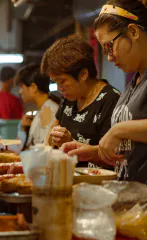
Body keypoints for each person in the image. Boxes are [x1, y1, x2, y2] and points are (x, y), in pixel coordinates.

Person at [62, 0, 147, 185]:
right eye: (104, 50)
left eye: (110, 46)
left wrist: (119, 130)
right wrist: (94, 152)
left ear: (133, 32)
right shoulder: (134, 82)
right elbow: (131, 150)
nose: (109, 57)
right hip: (132, 201)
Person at [41, 35, 121, 168]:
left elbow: (114, 157)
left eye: (62, 81)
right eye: (56, 83)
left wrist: (71, 143)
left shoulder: (111, 100)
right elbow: (50, 136)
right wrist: (53, 139)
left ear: (83, 74)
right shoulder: (69, 98)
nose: (59, 88)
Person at [15, 64, 60, 148]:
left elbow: (45, 149)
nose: (20, 92)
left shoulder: (48, 110)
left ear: (33, 87)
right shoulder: (45, 108)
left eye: (22, 87)